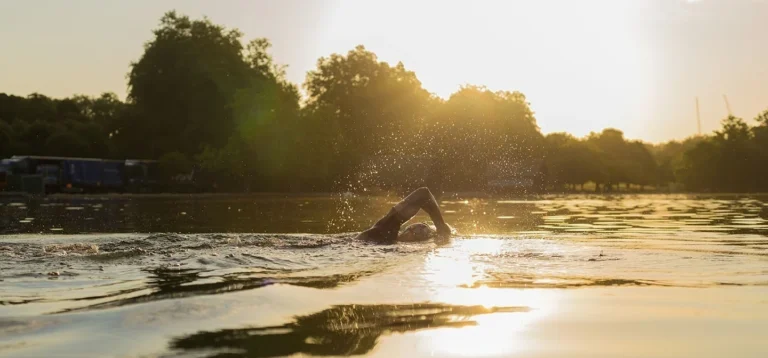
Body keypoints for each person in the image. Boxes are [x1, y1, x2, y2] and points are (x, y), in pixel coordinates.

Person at [356, 187, 452, 243]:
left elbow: (424, 193)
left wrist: (440, 226)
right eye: (414, 229)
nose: (412, 232)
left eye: (417, 232)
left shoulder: (388, 233)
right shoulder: (387, 229)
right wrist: (441, 226)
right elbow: (424, 193)